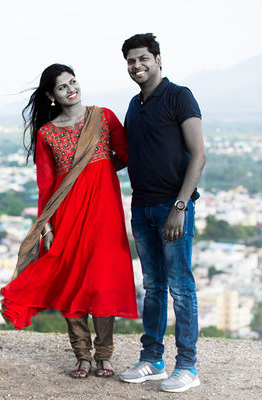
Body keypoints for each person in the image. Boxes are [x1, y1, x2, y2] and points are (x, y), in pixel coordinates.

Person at [0, 64, 138, 379]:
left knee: (102, 284)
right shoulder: (47, 133)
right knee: (72, 281)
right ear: (52, 95)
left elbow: (128, 154)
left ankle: (104, 355)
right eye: (63, 87)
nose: (71, 89)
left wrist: (100, 170)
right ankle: (82, 355)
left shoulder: (103, 117)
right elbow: (46, 186)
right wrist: (46, 226)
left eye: (73, 82)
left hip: (104, 214)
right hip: (66, 216)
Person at [118, 33, 206, 393]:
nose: (136, 65)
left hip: (173, 207)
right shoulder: (134, 104)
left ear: (157, 59)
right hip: (141, 208)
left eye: (143, 58)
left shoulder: (179, 96)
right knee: (153, 287)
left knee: (180, 287)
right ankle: (152, 359)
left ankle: (187, 366)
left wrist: (180, 207)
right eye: (130, 60)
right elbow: (128, 155)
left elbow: (198, 154)